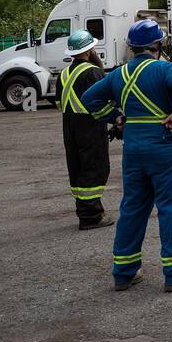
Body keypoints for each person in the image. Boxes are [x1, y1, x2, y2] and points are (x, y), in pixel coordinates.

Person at [83, 19, 172, 293]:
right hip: (165, 147)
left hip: (134, 149)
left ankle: (123, 271)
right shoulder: (163, 68)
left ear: (132, 48)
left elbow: (90, 98)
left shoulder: (118, 74)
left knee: (133, 208)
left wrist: (116, 119)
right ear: (157, 45)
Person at [57, 30, 113, 229]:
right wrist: (115, 119)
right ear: (89, 50)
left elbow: (58, 102)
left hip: (69, 126)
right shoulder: (93, 72)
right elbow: (103, 101)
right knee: (94, 167)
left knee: (77, 167)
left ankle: (85, 211)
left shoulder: (63, 74)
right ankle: (91, 216)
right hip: (90, 126)